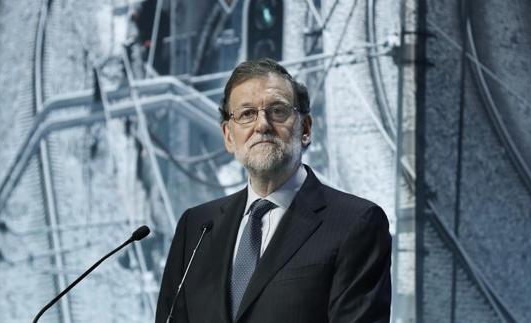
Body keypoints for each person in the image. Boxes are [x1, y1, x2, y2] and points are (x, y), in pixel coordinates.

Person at [155, 58, 391, 323]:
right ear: (229, 136)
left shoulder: (355, 223)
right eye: (246, 114)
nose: (262, 125)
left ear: (305, 128)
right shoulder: (196, 227)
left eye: (277, 111)